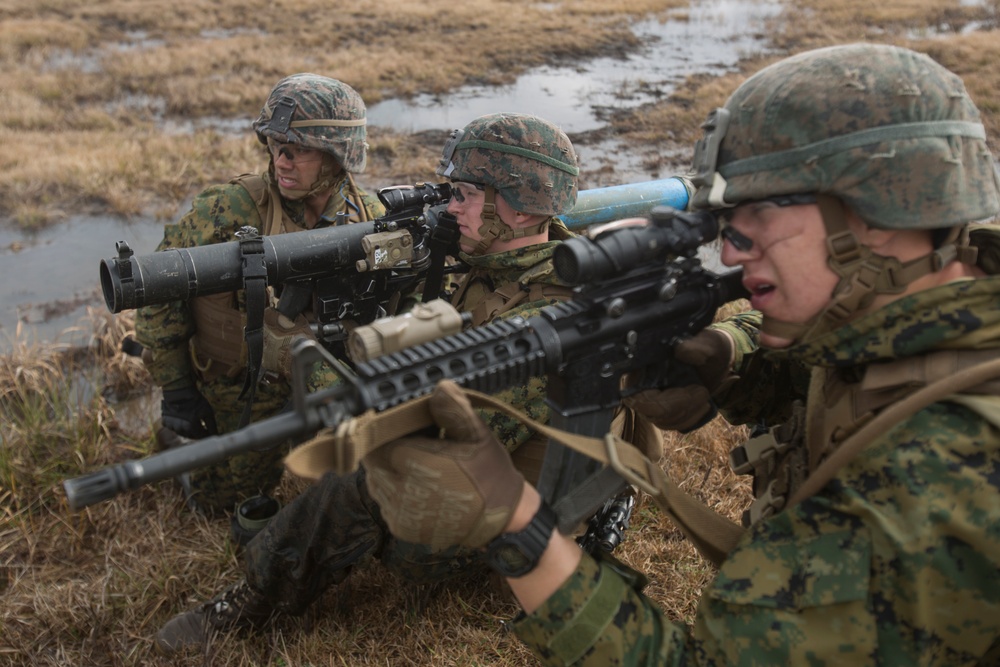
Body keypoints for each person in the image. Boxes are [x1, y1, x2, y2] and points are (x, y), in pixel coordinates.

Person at [360, 43, 1000, 664]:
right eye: (725, 222)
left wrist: (518, 524)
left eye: (756, 216)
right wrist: (728, 360)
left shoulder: (932, 479)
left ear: (879, 215)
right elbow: (828, 368)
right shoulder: (913, 313)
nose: (732, 248)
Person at [153, 112, 661, 655]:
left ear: (520, 207)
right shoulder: (508, 262)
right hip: (533, 475)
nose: (451, 207)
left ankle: (241, 608)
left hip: (519, 530)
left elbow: (418, 429)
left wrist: (296, 351)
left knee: (365, 476)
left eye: (466, 195)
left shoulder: (548, 319)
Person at [133, 74, 385, 518]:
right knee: (229, 500)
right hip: (242, 379)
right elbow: (159, 292)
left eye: (299, 149)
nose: (282, 162)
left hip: (327, 373)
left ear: (338, 155)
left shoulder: (369, 215)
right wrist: (176, 388)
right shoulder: (229, 208)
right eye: (274, 145)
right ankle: (185, 453)